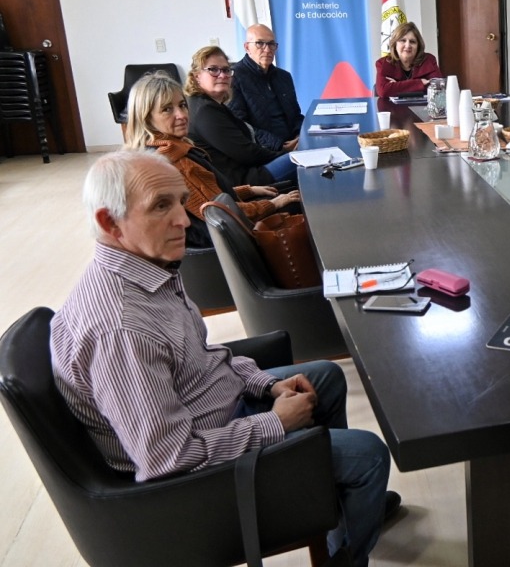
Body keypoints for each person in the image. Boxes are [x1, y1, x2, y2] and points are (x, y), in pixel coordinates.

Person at [50, 151, 400, 566]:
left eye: (180, 201)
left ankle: (330, 504)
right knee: (368, 455)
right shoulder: (121, 329)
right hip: (195, 477)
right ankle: (346, 548)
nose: (183, 219)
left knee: (324, 376)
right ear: (110, 223)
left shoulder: (145, 267)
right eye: (161, 206)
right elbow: (167, 459)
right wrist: (275, 422)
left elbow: (201, 357)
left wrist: (266, 385)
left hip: (208, 414)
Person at [123, 72, 300, 248]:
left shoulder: (149, 152)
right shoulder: (177, 160)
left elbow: (209, 192)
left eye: (182, 105)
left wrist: (249, 190)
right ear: (146, 117)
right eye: (167, 109)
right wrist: (273, 203)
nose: (182, 115)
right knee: (300, 203)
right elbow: (223, 212)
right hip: (231, 242)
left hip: (225, 230)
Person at [186, 45, 297, 188]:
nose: (222, 75)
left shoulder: (210, 104)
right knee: (307, 161)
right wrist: (284, 153)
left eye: (226, 70)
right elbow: (246, 153)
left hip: (249, 169)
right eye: (213, 69)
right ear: (197, 76)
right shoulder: (204, 111)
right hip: (243, 181)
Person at [228, 24, 305, 153]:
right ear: (247, 47)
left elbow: (296, 115)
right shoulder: (234, 78)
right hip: (265, 151)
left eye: (271, 44)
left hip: (296, 144)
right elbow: (241, 125)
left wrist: (299, 136)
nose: (267, 49)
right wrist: (279, 146)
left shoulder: (284, 77)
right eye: (260, 43)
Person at [373, 21, 443, 98]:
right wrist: (420, 83)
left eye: (412, 42)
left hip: (422, 108)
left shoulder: (429, 60)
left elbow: (438, 88)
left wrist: (396, 86)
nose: (408, 45)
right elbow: (384, 91)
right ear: (395, 44)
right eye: (403, 40)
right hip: (394, 109)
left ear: (418, 46)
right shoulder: (383, 63)